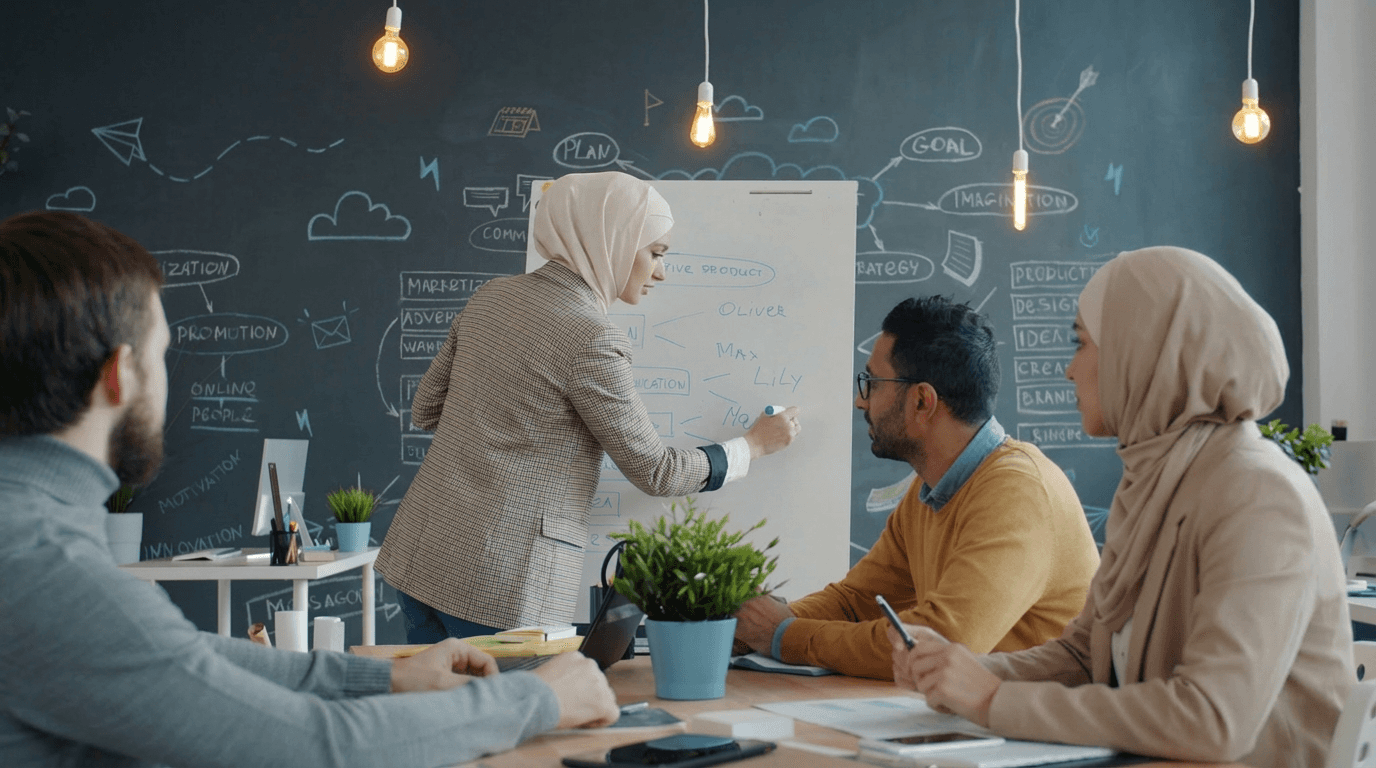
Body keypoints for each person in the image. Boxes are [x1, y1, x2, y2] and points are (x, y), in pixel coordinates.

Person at [0, 211, 620, 767]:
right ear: (119, 375)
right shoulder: (47, 568)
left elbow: (192, 661)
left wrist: (386, 681)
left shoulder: (29, 537)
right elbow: (316, 747)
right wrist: (534, 699)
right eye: (163, 356)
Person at [889, 247, 1355, 767]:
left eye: (1082, 344)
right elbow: (1085, 657)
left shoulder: (1259, 496)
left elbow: (1213, 721)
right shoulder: (1155, 480)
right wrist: (964, 672)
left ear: (1143, 351)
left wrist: (993, 700)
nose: (1069, 370)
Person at [376, 171, 799, 641]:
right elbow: (657, 472)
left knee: (438, 711)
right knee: (510, 714)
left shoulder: (490, 296)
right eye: (655, 254)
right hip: (500, 583)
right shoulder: (591, 338)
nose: (661, 271)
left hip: (419, 556)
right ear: (611, 239)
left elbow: (425, 410)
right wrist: (754, 447)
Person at [733, 296, 1099, 679]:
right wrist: (755, 627)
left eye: (871, 383)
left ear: (922, 401)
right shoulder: (930, 489)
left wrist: (782, 635)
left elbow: (942, 640)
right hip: (981, 722)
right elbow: (858, 601)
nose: (860, 401)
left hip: (1038, 731)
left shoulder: (1017, 491)